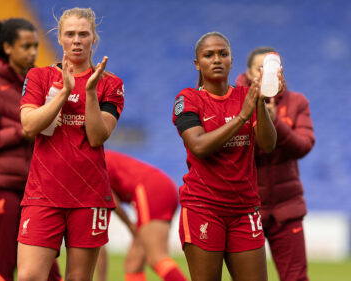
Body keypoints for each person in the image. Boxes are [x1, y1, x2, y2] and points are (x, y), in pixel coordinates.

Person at [17, 7, 124, 281]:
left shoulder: (110, 84)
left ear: (94, 40)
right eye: (70, 34)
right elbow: (29, 125)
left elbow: (98, 135)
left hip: (89, 196)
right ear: (60, 38)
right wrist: (63, 93)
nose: (77, 40)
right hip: (43, 194)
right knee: (29, 276)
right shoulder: (39, 77)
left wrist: (88, 91)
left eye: (83, 34)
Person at [171, 32, 282, 281]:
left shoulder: (247, 96)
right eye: (208, 55)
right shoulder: (188, 99)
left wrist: (261, 104)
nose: (217, 59)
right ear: (197, 64)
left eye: (223, 54)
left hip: (245, 210)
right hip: (204, 208)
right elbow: (199, 146)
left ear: (232, 60)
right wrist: (243, 116)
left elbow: (268, 144)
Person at [0, 18, 62, 281]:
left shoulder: (40, 80)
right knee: (2, 269)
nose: (32, 52)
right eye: (25, 46)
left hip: (36, 189)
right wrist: (21, 132)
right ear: (7, 47)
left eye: (36, 45)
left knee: (49, 271)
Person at [235, 46, 314, 281]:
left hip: (286, 208)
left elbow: (304, 146)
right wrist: (255, 116)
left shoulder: (297, 102)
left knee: (295, 278)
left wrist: (275, 121)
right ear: (248, 73)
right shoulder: (236, 101)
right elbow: (233, 153)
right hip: (246, 209)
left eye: (272, 68)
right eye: (260, 68)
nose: (266, 73)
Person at [96, 150, 188, 281]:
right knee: (134, 264)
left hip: (149, 189)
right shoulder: (98, 154)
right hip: (159, 185)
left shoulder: (91, 161)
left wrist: (130, 226)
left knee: (156, 258)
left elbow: (109, 197)